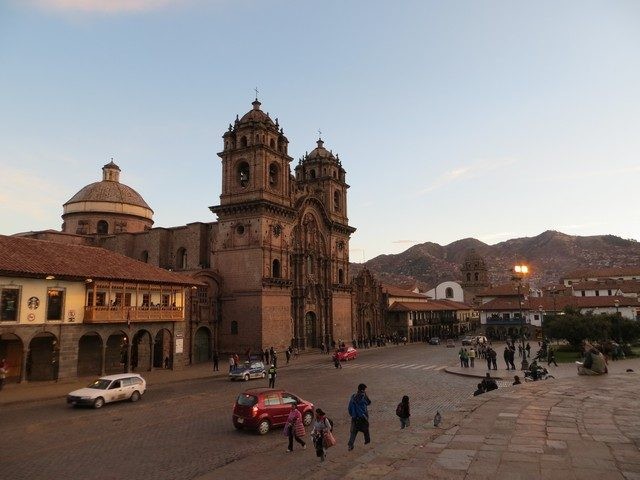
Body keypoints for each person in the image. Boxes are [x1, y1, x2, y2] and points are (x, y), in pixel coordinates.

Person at [347, 383, 371, 451]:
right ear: (363, 390)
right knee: (365, 428)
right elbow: (369, 402)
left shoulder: (353, 396)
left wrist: (353, 414)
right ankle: (367, 442)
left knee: (353, 432)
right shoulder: (363, 397)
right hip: (363, 417)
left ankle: (350, 445)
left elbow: (349, 408)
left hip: (354, 417)